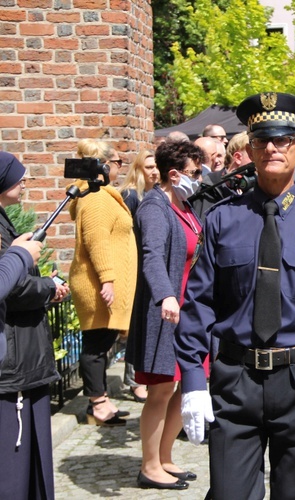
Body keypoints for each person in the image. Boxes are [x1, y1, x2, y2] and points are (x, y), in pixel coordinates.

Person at [175, 92, 295, 499]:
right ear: (250, 146)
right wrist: (193, 378)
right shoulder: (224, 219)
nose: (272, 149)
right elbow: (200, 302)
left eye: (283, 140)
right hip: (235, 378)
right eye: (262, 139)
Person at [126, 140, 205, 491]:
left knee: (182, 385)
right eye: (194, 172)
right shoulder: (155, 208)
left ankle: (166, 456)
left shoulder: (183, 203)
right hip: (165, 310)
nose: (199, 178)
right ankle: (150, 465)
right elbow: (152, 256)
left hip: (187, 309)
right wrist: (166, 295)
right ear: (174, 174)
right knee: (160, 389)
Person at [0, 152, 67, 500]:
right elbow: (8, 286)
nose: (25, 182)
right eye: (18, 177)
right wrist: (48, 288)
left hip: (24, 356)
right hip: (13, 362)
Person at [68, 139, 137, 426]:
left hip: (104, 282)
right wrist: (107, 279)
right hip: (99, 284)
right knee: (97, 345)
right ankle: (97, 404)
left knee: (101, 342)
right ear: (104, 164)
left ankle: (102, 399)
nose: (120, 168)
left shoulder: (99, 195)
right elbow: (97, 241)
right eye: (118, 162)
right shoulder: (96, 199)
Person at [118, 148, 158, 403]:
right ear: (138, 169)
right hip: (135, 266)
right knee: (135, 325)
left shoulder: (154, 194)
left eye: (157, 167)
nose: (154, 171)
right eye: (149, 167)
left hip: (148, 265)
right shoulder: (131, 196)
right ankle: (133, 380)